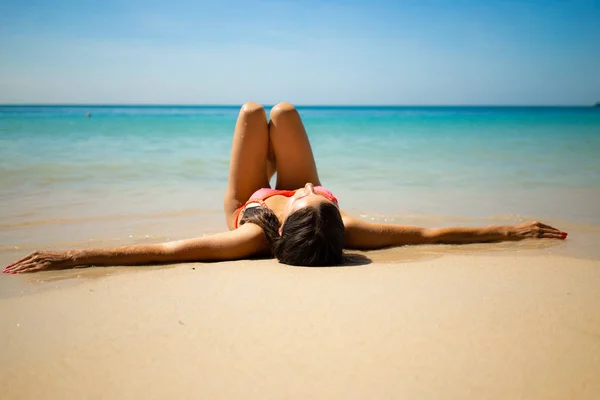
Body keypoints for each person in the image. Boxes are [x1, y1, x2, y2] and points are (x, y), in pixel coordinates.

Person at [3, 102, 567, 274]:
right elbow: (431, 233)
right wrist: (509, 229)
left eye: (308, 195)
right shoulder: (347, 229)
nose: (311, 190)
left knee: (252, 112)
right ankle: (278, 127)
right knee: (285, 112)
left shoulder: (251, 238)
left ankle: (258, 144)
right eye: (319, 196)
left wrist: (70, 254)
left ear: (292, 214)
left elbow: (164, 252)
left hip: (247, 201)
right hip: (287, 214)